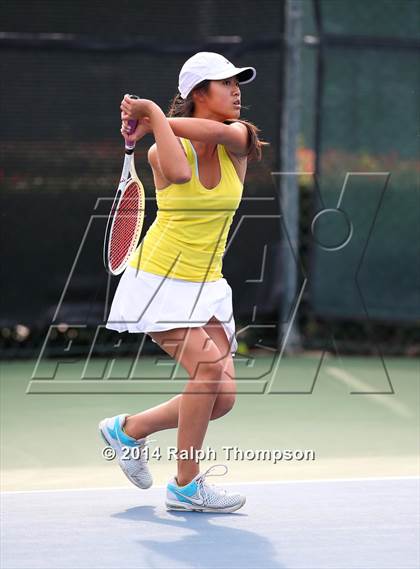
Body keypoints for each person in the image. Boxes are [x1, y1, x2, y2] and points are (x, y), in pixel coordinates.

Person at [99, 52, 266, 513]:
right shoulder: (159, 150)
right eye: (225, 83)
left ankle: (127, 430)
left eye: (239, 83)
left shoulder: (239, 138)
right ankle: (186, 485)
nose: (236, 91)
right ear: (198, 93)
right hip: (160, 280)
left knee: (223, 398)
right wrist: (155, 119)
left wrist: (152, 114)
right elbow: (178, 173)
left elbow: (214, 132)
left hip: (209, 284)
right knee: (208, 371)